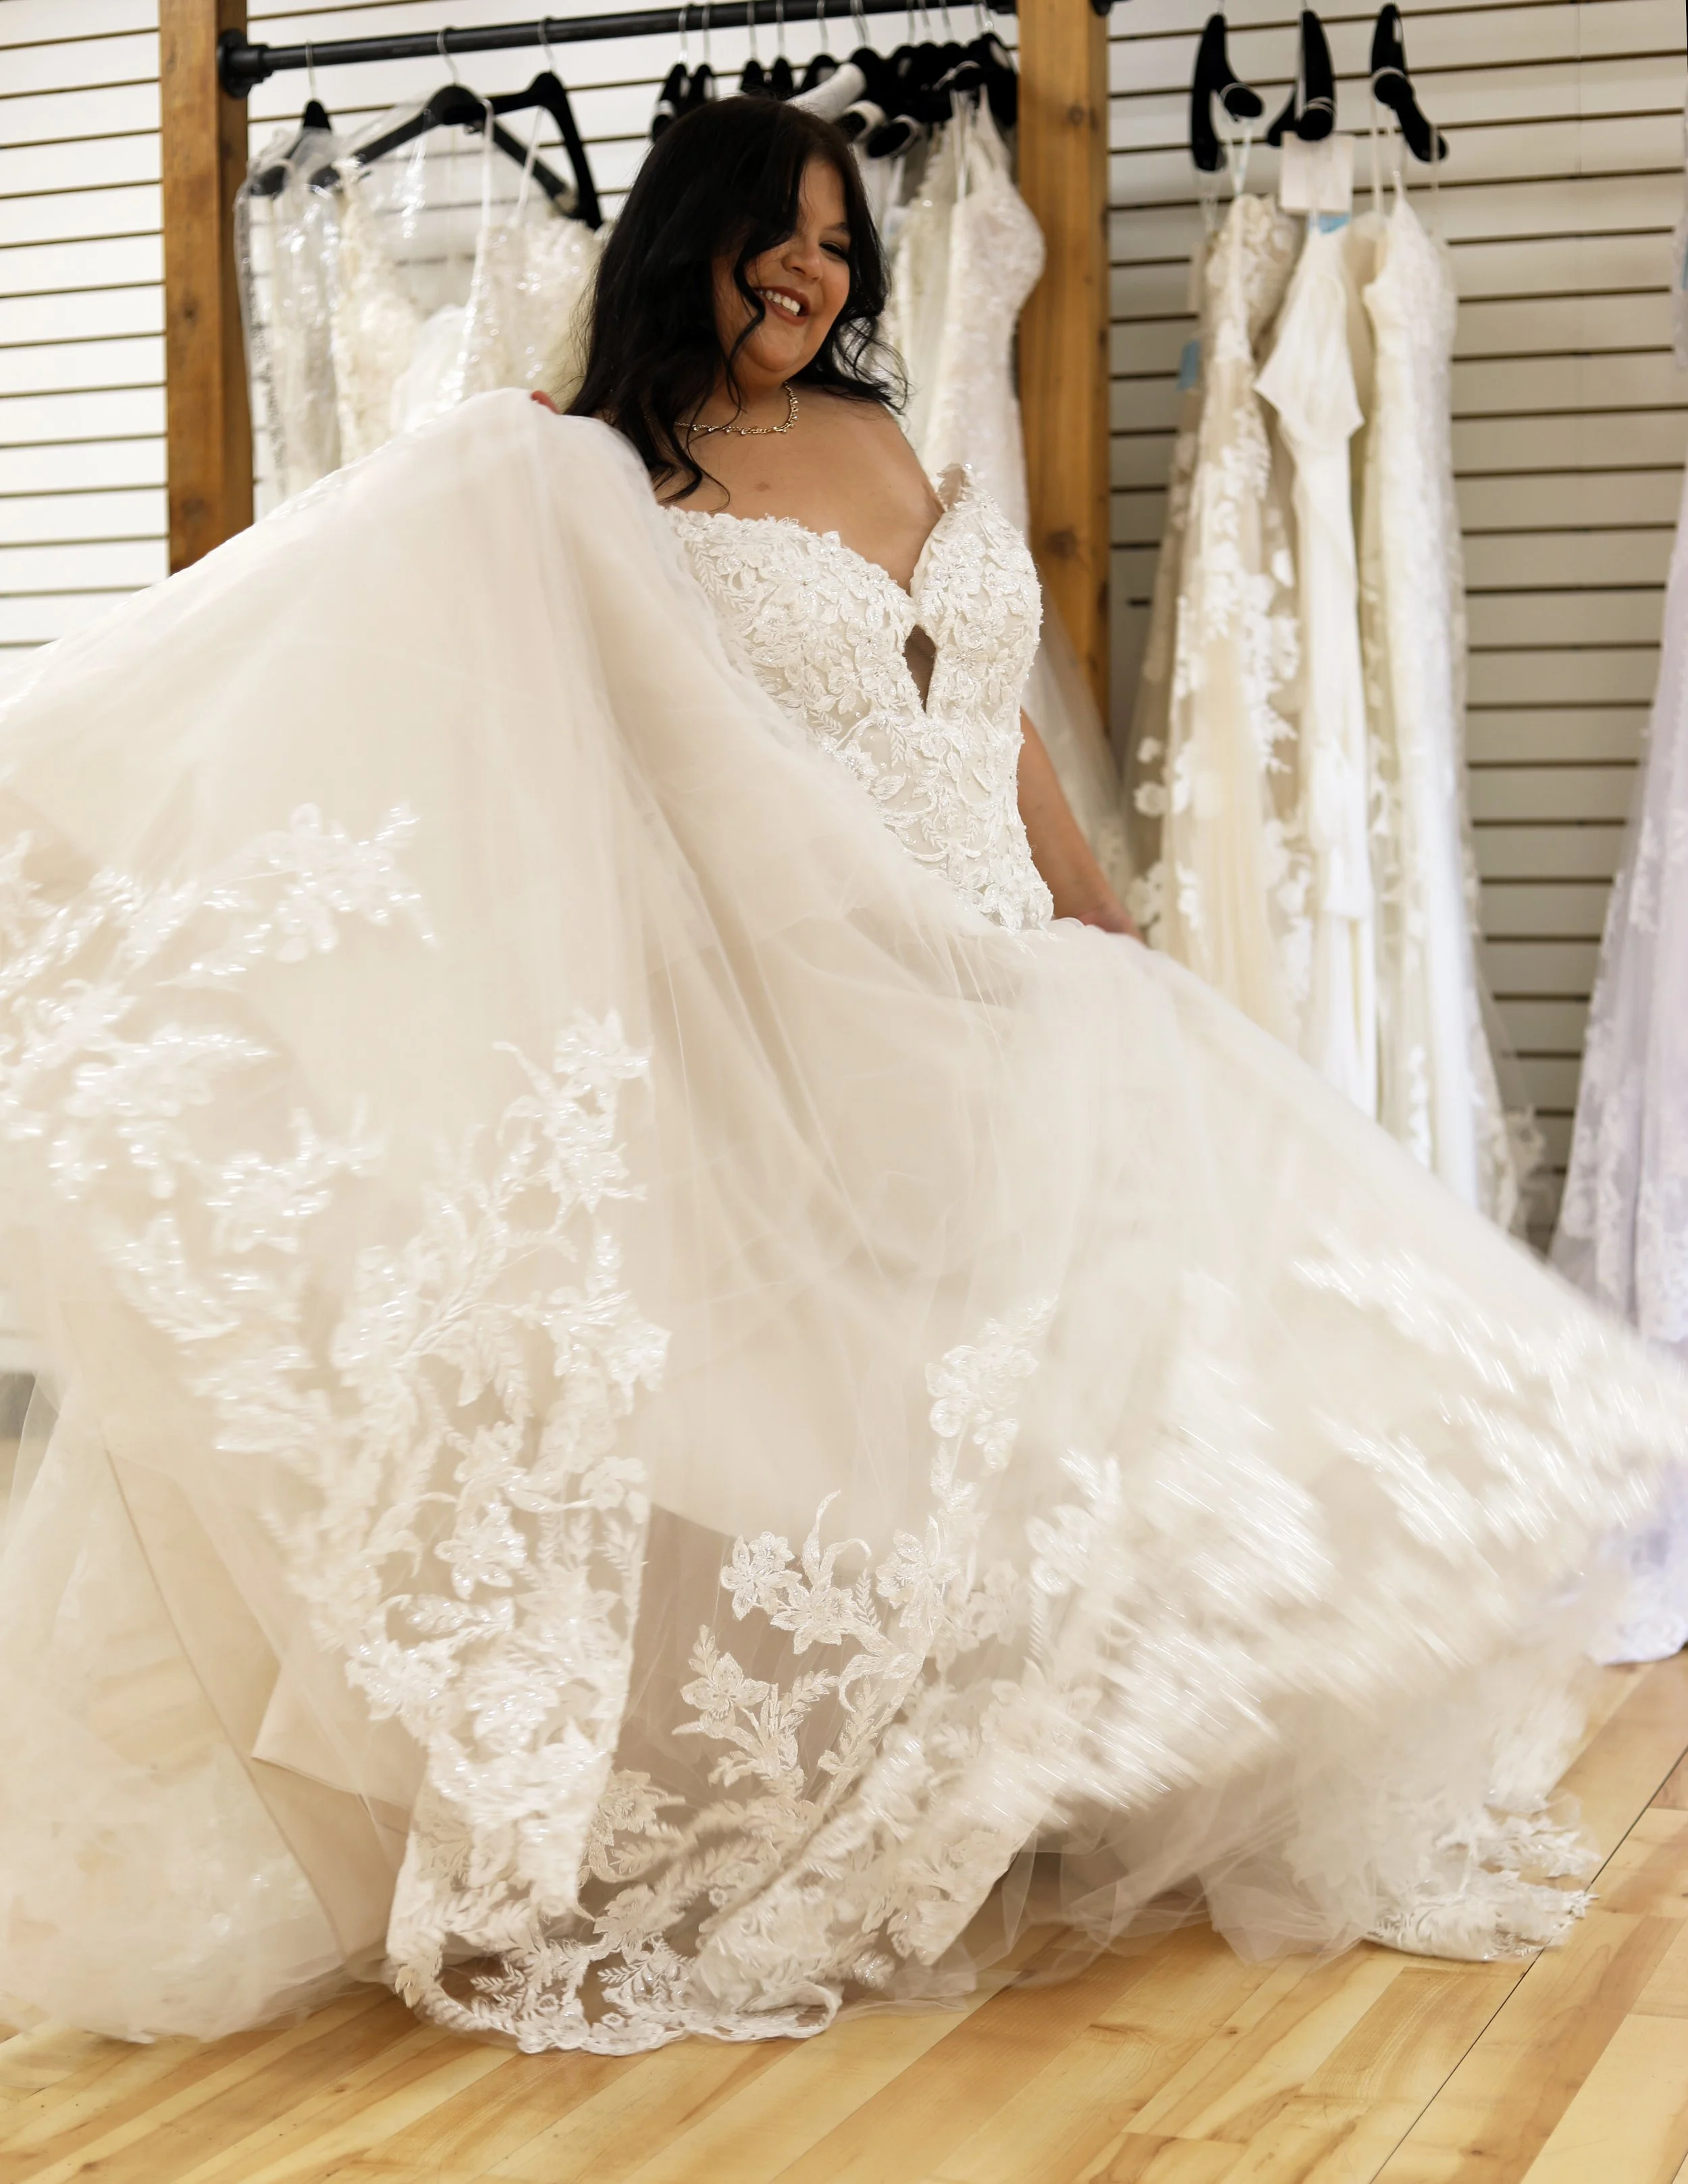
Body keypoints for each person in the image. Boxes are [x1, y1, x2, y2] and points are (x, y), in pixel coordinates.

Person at [0, 96, 1681, 2058]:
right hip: (821, 1005)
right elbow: (521, 739)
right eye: (771, 236)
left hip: (1017, 977)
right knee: (852, 1428)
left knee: (1104, 1375)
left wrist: (1099, 920)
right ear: (682, 244)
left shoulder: (889, 434)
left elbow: (992, 716)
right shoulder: (586, 472)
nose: (808, 270)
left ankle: (1039, 1773)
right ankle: (800, 1795)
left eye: (835, 241)